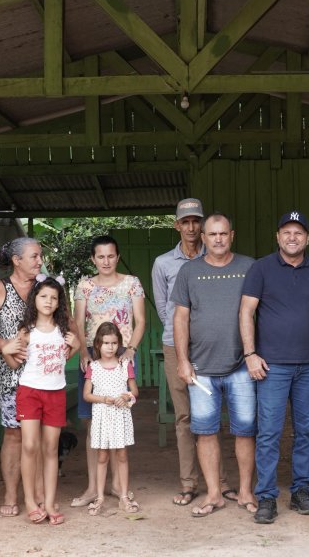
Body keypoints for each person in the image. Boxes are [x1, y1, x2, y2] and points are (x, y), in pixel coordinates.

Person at [239, 211, 309, 525]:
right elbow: (246, 312)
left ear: (307, 239)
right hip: (272, 367)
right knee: (268, 433)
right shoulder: (261, 268)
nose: (292, 238)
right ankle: (266, 496)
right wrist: (250, 353)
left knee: (307, 431)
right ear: (278, 237)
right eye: (286, 232)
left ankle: (301, 492)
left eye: (298, 233)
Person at [172, 212, 257, 517]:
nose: (218, 239)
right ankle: (214, 494)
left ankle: (246, 492)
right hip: (201, 370)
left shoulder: (249, 267)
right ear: (203, 238)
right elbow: (180, 317)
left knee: (245, 431)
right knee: (206, 432)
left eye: (223, 234)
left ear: (231, 235)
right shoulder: (189, 272)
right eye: (213, 234)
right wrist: (183, 360)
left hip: (242, 368)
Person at [153, 198, 232, 507]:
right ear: (177, 225)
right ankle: (189, 483)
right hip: (176, 345)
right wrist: (181, 338)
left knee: (212, 416)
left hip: (210, 346)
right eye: (185, 222)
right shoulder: (163, 263)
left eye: (195, 221)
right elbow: (164, 309)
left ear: (202, 225)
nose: (191, 227)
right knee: (184, 416)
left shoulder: (214, 257)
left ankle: (221, 482)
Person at [72, 235, 145, 508]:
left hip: (120, 358)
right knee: (94, 423)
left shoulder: (131, 284)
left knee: (118, 420)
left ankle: (117, 485)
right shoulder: (84, 286)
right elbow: (78, 322)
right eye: (100, 256)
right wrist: (82, 352)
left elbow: (140, 322)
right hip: (92, 358)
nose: (106, 261)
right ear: (93, 259)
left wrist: (132, 349)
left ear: (117, 256)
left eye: (111, 256)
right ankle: (94, 487)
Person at [3, 274, 78, 526]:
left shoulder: (64, 330)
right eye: (43, 296)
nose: (48, 301)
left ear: (59, 303)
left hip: (55, 393)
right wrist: (5, 350)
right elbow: (15, 363)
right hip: (30, 392)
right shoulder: (27, 332)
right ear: (35, 299)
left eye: (54, 298)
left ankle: (49, 502)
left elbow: (66, 355)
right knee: (30, 446)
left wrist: (76, 346)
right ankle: (30, 503)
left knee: (50, 448)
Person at [0, 236, 43, 517]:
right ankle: (10, 494)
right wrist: (4, 345)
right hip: (10, 375)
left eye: (40, 256)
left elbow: (62, 322)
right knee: (14, 434)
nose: (39, 261)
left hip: (42, 373)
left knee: (41, 435)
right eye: (34, 256)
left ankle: (40, 493)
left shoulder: (46, 287)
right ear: (16, 260)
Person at [82, 321, 139, 516]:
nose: (110, 347)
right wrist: (104, 399)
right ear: (98, 344)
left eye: (114, 343)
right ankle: (100, 497)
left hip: (120, 415)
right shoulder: (94, 367)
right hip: (102, 416)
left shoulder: (125, 365)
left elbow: (134, 391)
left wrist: (126, 396)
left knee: (122, 455)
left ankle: (123, 496)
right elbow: (87, 395)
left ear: (119, 344)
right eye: (106, 343)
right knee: (102, 457)